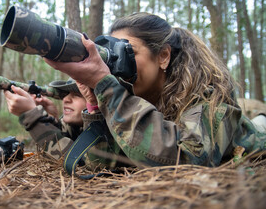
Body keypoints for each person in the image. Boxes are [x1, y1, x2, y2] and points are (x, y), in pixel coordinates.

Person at [44, 12, 266, 167]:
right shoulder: (135, 99)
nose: (120, 65)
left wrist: (108, 88)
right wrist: (94, 104)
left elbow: (188, 160)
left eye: (129, 52)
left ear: (163, 56)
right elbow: (106, 164)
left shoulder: (207, 98)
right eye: (114, 56)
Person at [4, 78, 101, 161]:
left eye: (77, 95)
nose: (66, 99)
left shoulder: (110, 130)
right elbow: (67, 145)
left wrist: (32, 116)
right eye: (66, 94)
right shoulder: (77, 126)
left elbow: (82, 161)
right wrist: (51, 121)